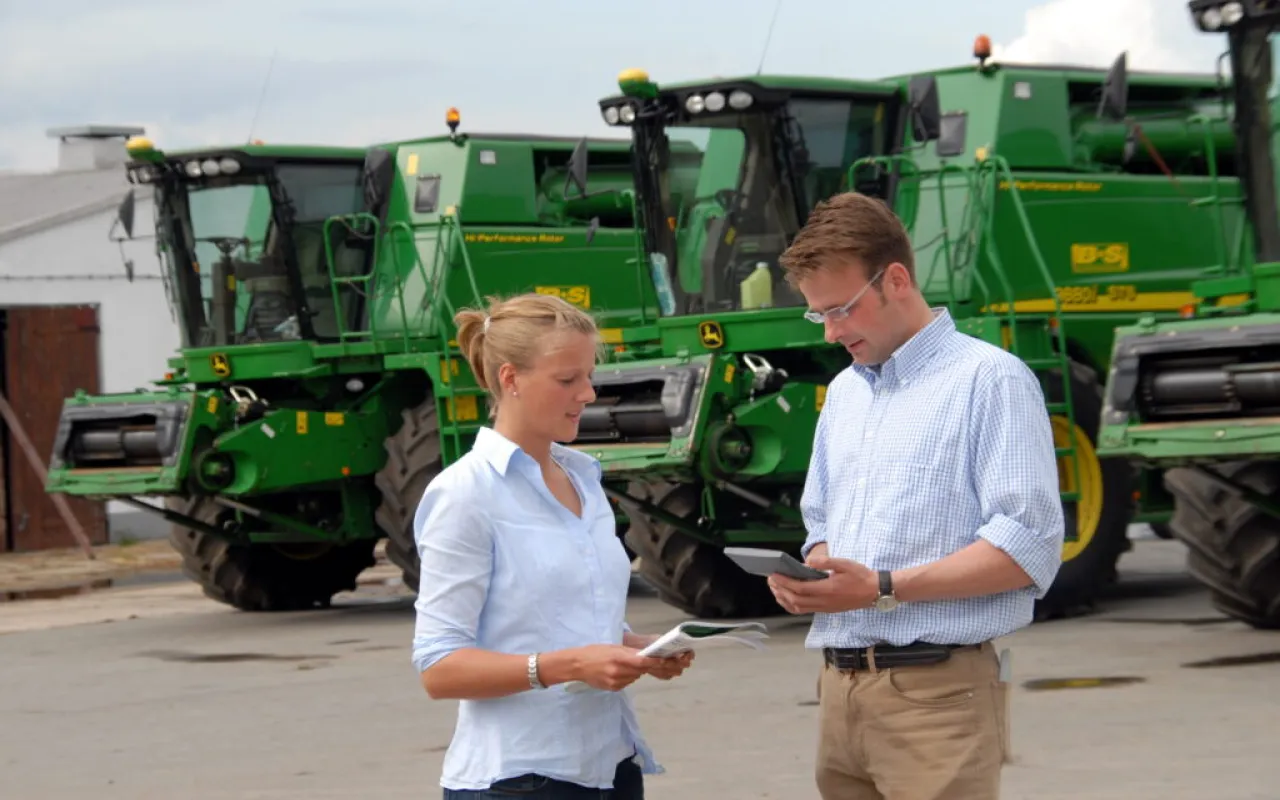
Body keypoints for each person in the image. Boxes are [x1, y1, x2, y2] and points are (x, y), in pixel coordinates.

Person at [766, 192, 1065, 800]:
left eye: (840, 309)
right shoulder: (845, 393)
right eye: (817, 314)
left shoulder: (990, 381)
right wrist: (816, 573)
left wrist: (880, 587)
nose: (830, 331)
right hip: (838, 692)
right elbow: (820, 522)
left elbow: (1026, 548)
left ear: (895, 279)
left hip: (937, 697)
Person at [410, 292, 694, 799]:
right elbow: (439, 668)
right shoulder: (464, 494)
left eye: (588, 376)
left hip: (612, 766)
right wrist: (570, 666)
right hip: (520, 780)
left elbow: (565, 615)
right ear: (510, 379)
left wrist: (640, 650)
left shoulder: (582, 478)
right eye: (568, 379)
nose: (587, 394)